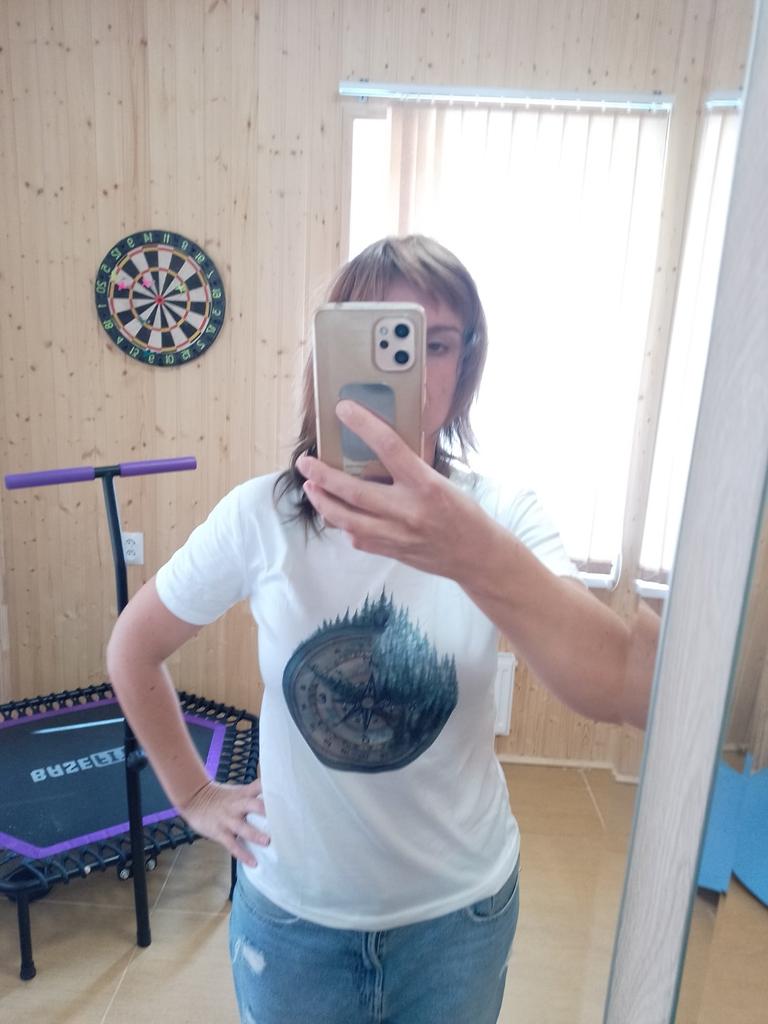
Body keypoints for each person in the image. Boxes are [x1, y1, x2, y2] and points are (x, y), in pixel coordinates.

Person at [107, 235, 658, 1024]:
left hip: (458, 919)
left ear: (465, 366)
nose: (415, 369)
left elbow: (611, 687)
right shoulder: (259, 517)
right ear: (327, 358)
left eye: (437, 344)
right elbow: (133, 648)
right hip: (294, 920)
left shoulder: (503, 515)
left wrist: (468, 549)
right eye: (385, 338)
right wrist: (193, 794)